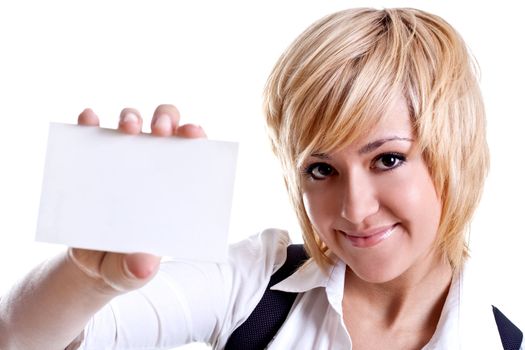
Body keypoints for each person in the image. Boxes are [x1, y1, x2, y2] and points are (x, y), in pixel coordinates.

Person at [0, 7, 521, 350]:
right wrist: (91, 278)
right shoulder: (257, 285)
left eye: (387, 159)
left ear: (456, 152)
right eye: (322, 170)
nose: (356, 208)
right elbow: (21, 339)